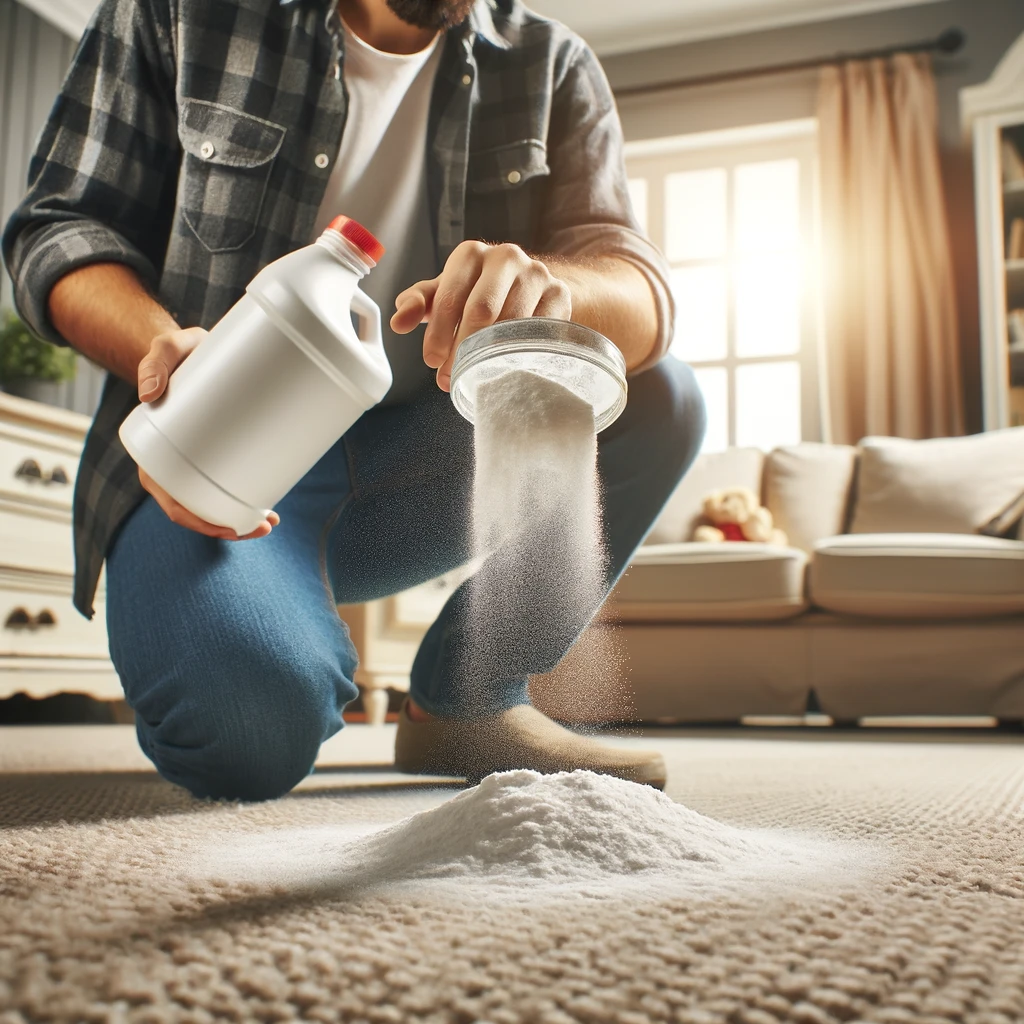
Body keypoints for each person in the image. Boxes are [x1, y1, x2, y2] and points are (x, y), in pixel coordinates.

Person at [2, 0, 705, 801]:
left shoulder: (552, 62)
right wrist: (170, 362)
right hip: (214, 469)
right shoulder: (178, 13)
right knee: (251, 735)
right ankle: (260, 633)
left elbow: (639, 288)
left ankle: (469, 702)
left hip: (420, 467)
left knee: (652, 391)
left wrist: (555, 288)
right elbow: (59, 228)